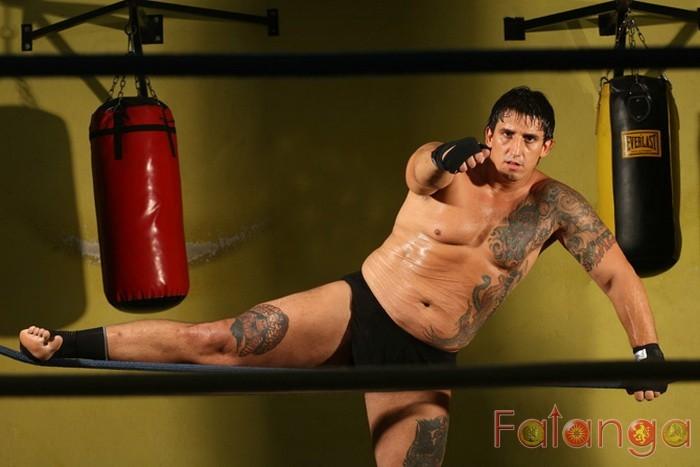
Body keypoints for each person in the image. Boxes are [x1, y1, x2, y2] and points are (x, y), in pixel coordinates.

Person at [20, 87, 666, 467]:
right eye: (506, 133)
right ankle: (63, 345)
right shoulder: (452, 165)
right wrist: (447, 154)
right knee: (218, 340)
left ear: (546, 145)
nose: (514, 148)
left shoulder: (557, 206)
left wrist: (646, 350)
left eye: (529, 138)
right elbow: (419, 171)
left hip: (426, 355)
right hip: (363, 305)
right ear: (489, 132)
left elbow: (616, 275)